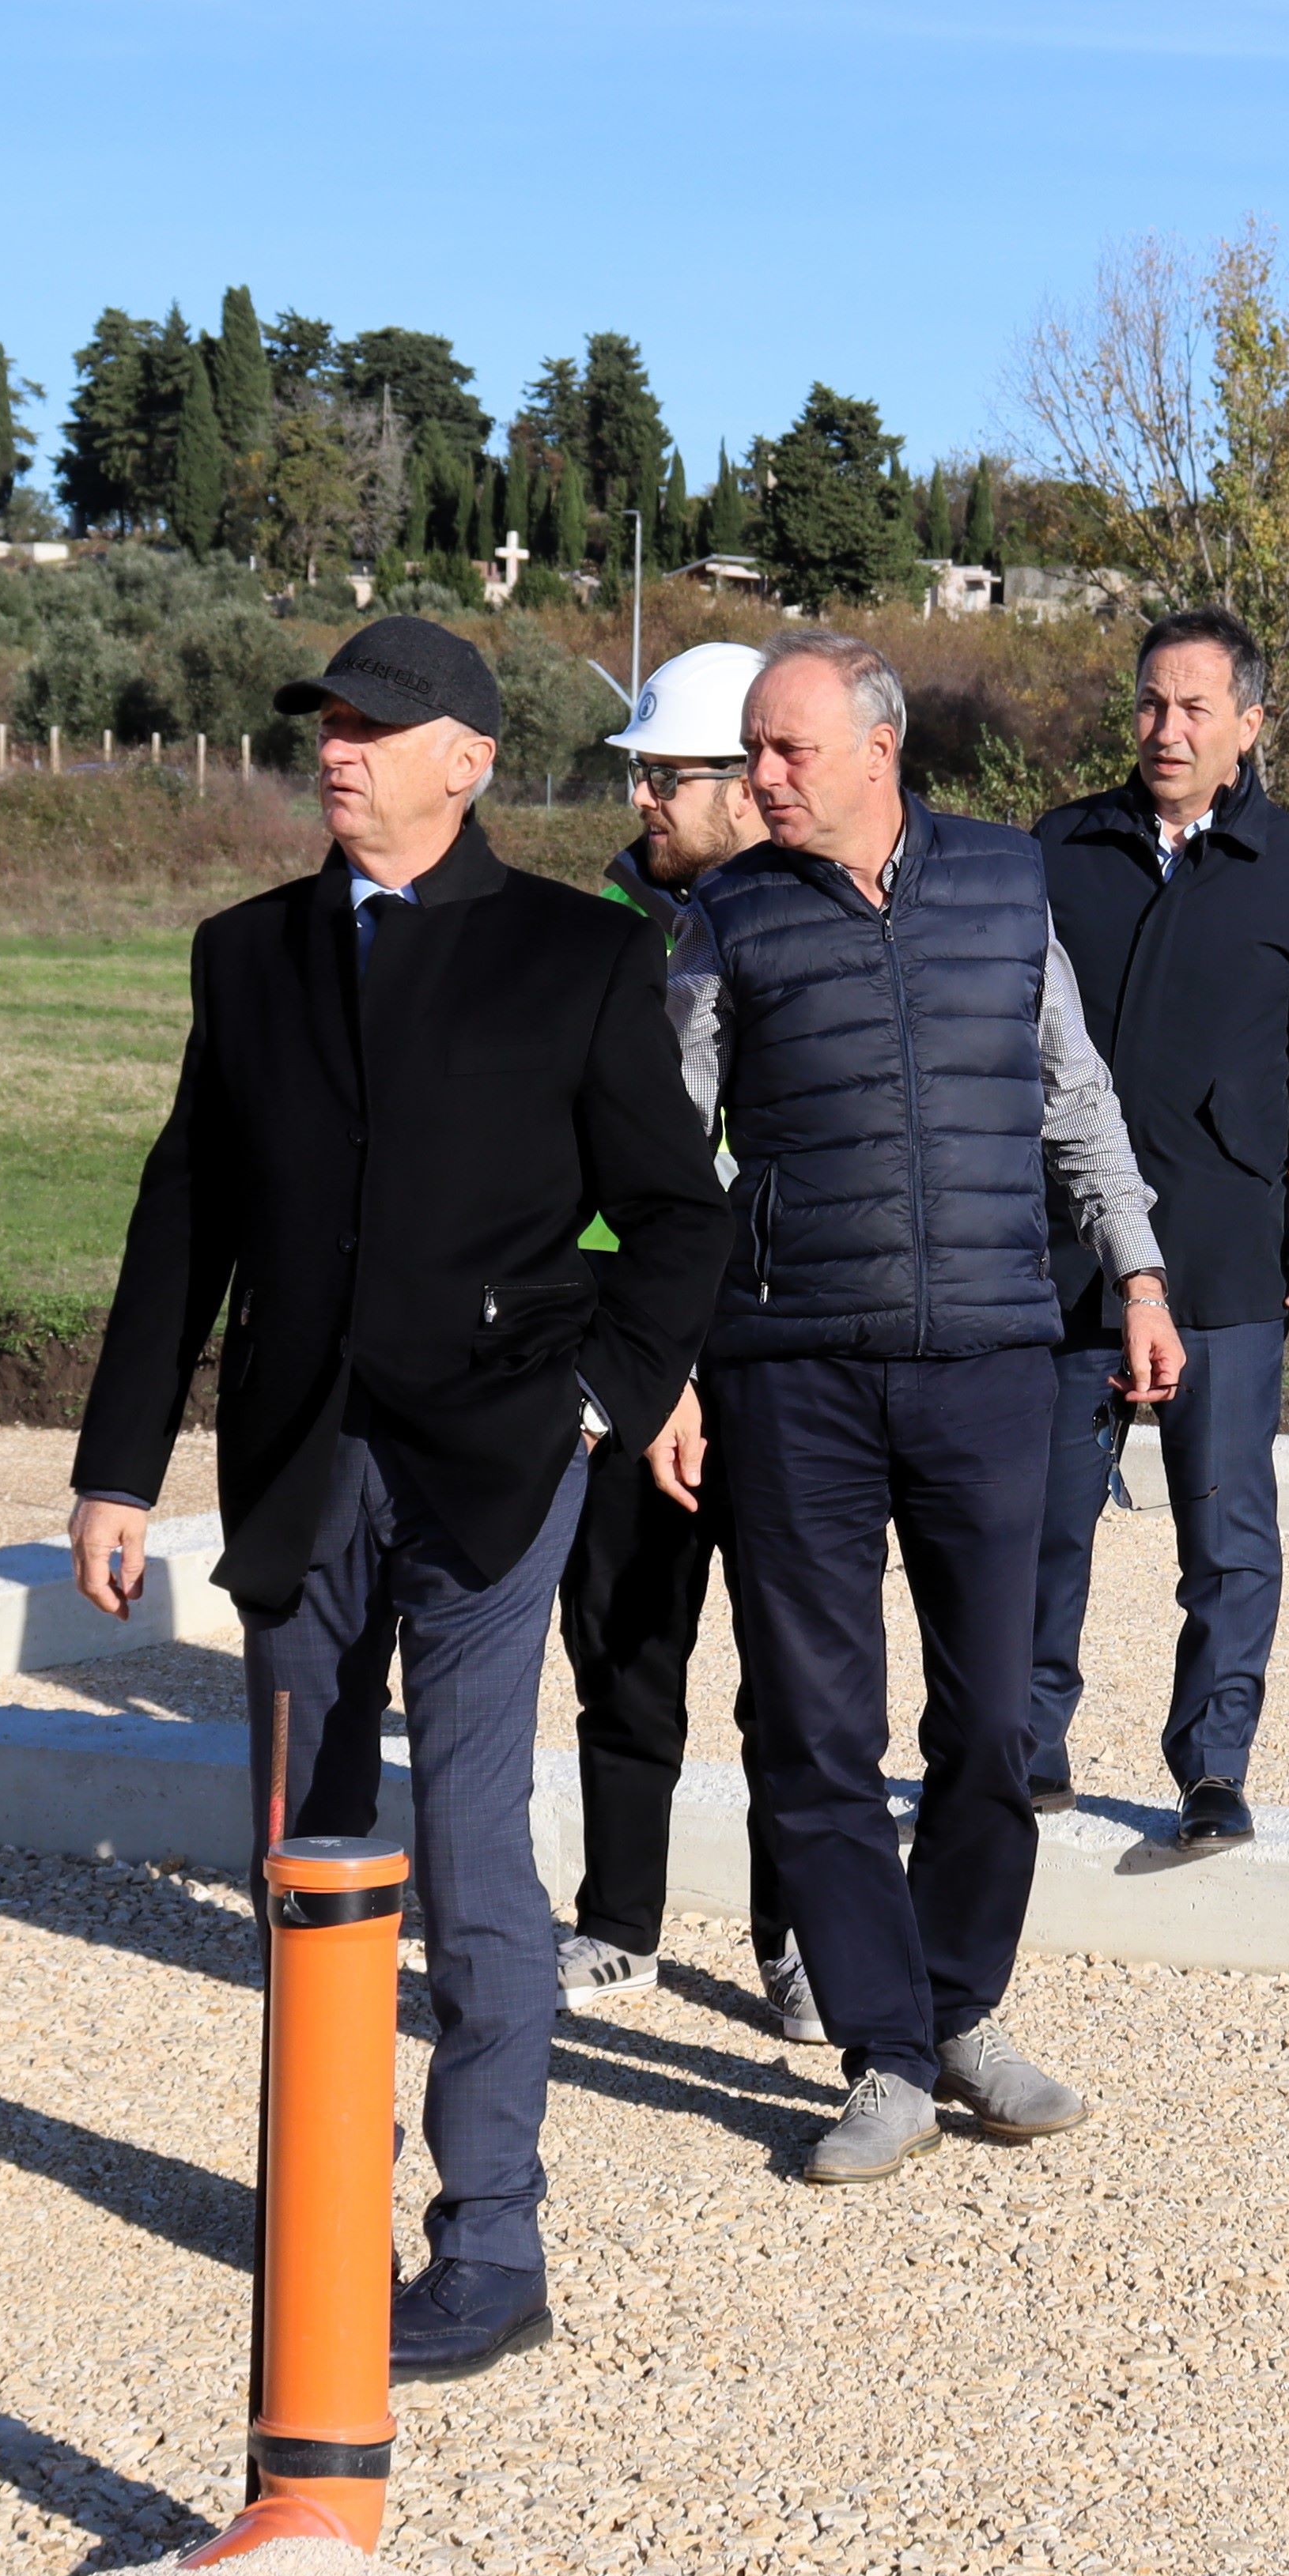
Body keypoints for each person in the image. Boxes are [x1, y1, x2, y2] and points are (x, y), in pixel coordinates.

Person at [67, 614, 727, 2381]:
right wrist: (116, 1469)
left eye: (376, 724)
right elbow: (181, 1224)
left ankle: (489, 2243)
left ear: (471, 757)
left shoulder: (580, 958)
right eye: (326, 723)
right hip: (296, 1471)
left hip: (495, 1467)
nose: (337, 749)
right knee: (302, 1848)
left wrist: (604, 1394)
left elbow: (681, 1220)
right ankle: (318, 2200)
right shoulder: (247, 957)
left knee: (473, 1857)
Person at [646, 627, 1185, 2185]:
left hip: (993, 1363)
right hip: (789, 1370)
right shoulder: (724, 918)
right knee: (813, 1726)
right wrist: (670, 1364)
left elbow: (1074, 1094)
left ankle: (961, 2012)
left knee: (996, 1717)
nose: (757, 779)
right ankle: (881, 2054)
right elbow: (675, 1160)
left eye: (783, 749)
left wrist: (1136, 1271)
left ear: (878, 749)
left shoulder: (1010, 891)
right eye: (750, 750)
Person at [1025, 610, 1289, 1849]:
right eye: (1148, 704)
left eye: (1192, 709)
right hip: (1061, 1251)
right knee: (1040, 1514)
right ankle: (1029, 1740)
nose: (1165, 730)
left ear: (1249, 724)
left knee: (1226, 1528)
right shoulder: (1059, 851)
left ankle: (1213, 1764)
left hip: (1227, 1253)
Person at [548, 642, 820, 2042]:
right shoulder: (590, 929)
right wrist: (652, 1372)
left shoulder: (803, 921)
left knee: (790, 1662)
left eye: (673, 773)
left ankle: (795, 1938)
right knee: (622, 1640)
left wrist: (712, 1368)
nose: (647, 795)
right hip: (622, 1334)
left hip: (776, 1351)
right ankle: (619, 1924)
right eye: (642, 772)